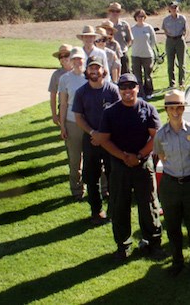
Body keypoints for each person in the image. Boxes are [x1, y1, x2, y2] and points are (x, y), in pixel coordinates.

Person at [93, 73, 163, 260]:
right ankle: (123, 245)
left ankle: (153, 243)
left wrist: (139, 156)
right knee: (119, 206)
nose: (127, 91)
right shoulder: (110, 112)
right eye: (123, 87)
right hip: (119, 166)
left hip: (143, 165)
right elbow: (104, 140)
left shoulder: (148, 109)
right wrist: (124, 157)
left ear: (137, 88)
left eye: (131, 86)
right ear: (119, 89)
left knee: (148, 204)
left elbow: (157, 136)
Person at [152, 89, 190, 277]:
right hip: (170, 185)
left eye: (180, 107)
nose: (176, 111)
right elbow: (161, 157)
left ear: (184, 108)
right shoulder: (160, 135)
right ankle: (177, 262)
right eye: (172, 107)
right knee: (173, 226)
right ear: (166, 110)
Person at [74, 56, 122, 219]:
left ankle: (113, 210)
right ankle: (96, 211)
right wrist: (94, 133)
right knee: (91, 177)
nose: (94, 71)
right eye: (91, 68)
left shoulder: (112, 90)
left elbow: (119, 114)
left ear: (103, 70)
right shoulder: (81, 92)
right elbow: (79, 117)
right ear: (87, 71)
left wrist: (104, 136)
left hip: (110, 139)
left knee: (113, 175)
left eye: (97, 68)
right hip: (91, 139)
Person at [58, 47, 89, 203]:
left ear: (85, 60)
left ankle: (101, 189)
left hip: (89, 124)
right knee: (75, 159)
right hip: (71, 122)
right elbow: (63, 104)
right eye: (74, 59)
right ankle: (77, 190)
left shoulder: (90, 76)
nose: (78, 62)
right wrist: (62, 125)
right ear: (70, 60)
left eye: (80, 59)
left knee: (95, 159)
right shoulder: (65, 79)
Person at [130, 9, 157, 98]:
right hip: (136, 55)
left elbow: (153, 40)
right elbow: (130, 41)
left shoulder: (148, 27)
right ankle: (140, 93)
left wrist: (149, 48)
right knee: (137, 76)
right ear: (135, 18)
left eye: (142, 16)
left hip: (147, 55)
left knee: (148, 75)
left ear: (145, 17)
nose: (140, 18)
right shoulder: (132, 29)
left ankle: (149, 92)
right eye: (139, 16)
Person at [162, 1, 188, 88]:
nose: (174, 9)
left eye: (175, 7)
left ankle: (181, 82)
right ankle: (172, 83)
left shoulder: (182, 18)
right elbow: (164, 30)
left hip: (180, 40)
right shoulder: (166, 20)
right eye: (172, 7)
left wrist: (182, 37)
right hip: (170, 41)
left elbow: (185, 30)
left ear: (178, 8)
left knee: (182, 64)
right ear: (169, 9)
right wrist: (170, 37)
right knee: (170, 64)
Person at [48, 44, 73, 126]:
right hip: (64, 108)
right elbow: (53, 95)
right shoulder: (56, 74)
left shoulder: (80, 72)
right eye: (61, 57)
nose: (63, 58)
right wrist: (54, 114)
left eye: (66, 55)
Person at [107, 2, 133, 74]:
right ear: (109, 12)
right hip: (109, 56)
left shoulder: (125, 25)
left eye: (117, 11)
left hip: (122, 55)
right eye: (113, 11)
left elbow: (130, 39)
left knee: (125, 77)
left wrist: (124, 49)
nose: (115, 13)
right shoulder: (105, 25)